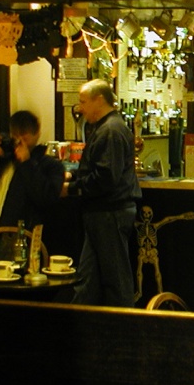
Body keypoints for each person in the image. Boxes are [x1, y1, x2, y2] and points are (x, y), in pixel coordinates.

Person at [62, 79, 142, 306]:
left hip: (110, 212)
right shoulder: (109, 127)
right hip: (102, 212)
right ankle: (84, 330)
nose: (80, 108)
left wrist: (73, 188)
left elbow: (106, 178)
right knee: (88, 279)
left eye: (83, 102)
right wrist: (74, 177)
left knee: (116, 281)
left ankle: (125, 331)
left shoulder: (110, 130)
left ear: (99, 100)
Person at [0, 110, 64, 270]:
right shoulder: (1, 160)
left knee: (7, 284)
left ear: (37, 135)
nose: (20, 141)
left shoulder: (48, 165)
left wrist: (26, 163)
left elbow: (46, 198)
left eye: (25, 136)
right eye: (16, 136)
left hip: (14, 236)